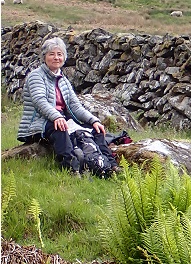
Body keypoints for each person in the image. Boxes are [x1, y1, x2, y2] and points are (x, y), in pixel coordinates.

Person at [16, 37, 118, 176]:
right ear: (44, 57)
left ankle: (111, 166)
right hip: (39, 122)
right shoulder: (36, 77)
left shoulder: (63, 79)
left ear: (64, 57)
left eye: (59, 54)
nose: (56, 58)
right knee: (60, 128)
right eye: (51, 54)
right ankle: (72, 169)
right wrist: (57, 116)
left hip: (61, 119)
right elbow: (39, 101)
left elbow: (75, 106)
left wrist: (94, 120)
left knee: (96, 130)